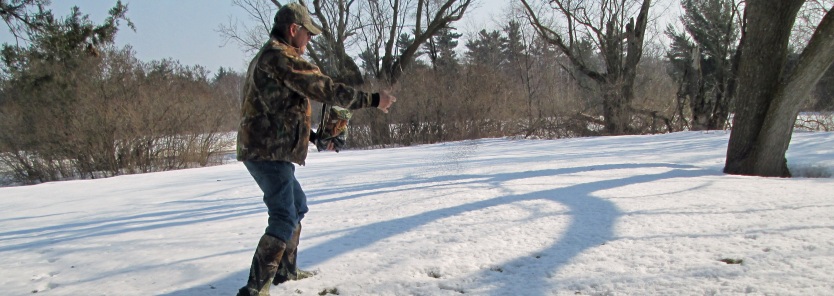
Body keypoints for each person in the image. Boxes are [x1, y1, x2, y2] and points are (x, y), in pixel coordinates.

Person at [235, 2, 396, 295]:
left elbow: (275, 110)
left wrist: (313, 137)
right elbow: (325, 89)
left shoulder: (269, 57)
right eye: (307, 34)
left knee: (297, 206)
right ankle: (255, 288)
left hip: (268, 147)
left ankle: (285, 271)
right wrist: (373, 100)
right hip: (267, 153)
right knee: (284, 215)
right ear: (293, 30)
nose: (309, 40)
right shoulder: (281, 56)